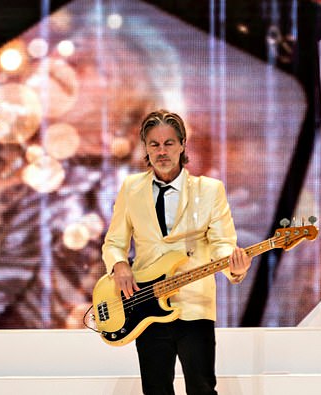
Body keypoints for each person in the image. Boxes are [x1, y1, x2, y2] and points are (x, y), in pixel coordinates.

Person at [101, 109, 251, 395]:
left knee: (202, 389)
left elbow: (222, 243)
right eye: (154, 144)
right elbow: (114, 242)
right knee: (155, 390)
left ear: (182, 144)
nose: (161, 151)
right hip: (146, 306)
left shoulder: (210, 190)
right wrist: (119, 264)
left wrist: (235, 266)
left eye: (169, 143)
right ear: (145, 148)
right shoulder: (131, 188)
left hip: (195, 306)